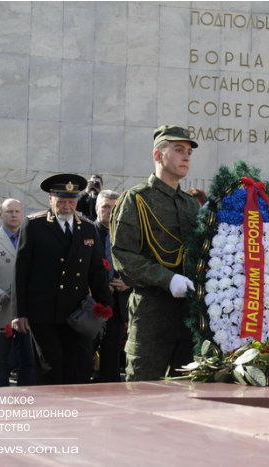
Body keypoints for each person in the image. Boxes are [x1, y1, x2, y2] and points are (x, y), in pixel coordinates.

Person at [111, 125, 199, 381]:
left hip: (189, 317)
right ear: (158, 156)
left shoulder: (190, 205)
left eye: (189, 153)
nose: (186, 157)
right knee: (142, 391)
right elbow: (123, 256)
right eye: (179, 150)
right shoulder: (136, 199)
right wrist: (167, 279)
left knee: (189, 395)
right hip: (151, 314)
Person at [13, 174, 112, 385]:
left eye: (71, 201)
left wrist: (105, 305)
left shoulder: (87, 227)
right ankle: (53, 414)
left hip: (77, 313)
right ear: (51, 200)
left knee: (80, 368)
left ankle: (77, 415)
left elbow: (96, 271)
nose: (66, 206)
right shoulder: (34, 226)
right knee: (51, 369)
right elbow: (21, 272)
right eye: (61, 201)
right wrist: (19, 313)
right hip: (44, 313)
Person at [0, 198, 35, 386]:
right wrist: (0, 295)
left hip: (26, 312)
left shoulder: (32, 237)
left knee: (29, 362)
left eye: (17, 211)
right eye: (9, 211)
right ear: (0, 214)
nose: (14, 215)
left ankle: (28, 401)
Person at [93, 189, 130, 382]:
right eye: (105, 207)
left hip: (117, 302)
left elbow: (137, 264)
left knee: (112, 348)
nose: (109, 211)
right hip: (90, 303)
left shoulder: (127, 235)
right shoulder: (87, 231)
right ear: (97, 208)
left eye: (114, 208)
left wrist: (128, 282)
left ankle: (108, 381)